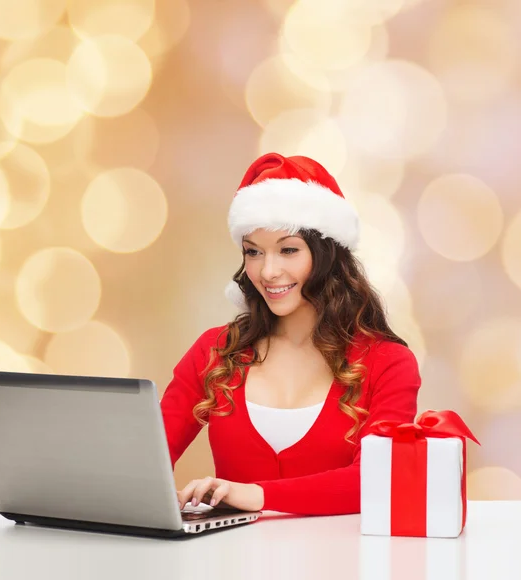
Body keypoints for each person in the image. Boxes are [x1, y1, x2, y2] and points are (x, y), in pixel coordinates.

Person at [161, 152, 421, 516]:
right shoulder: (216, 351)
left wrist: (255, 495)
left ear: (327, 254)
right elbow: (145, 461)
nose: (268, 271)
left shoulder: (388, 363)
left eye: (288, 250)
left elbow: (378, 480)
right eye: (253, 252)